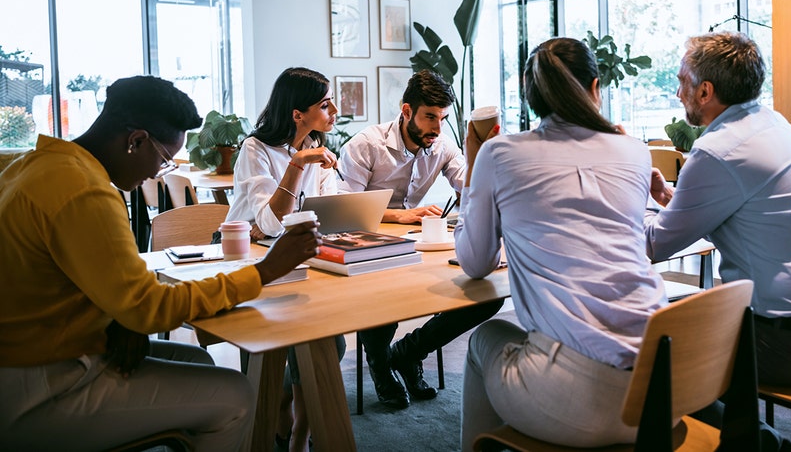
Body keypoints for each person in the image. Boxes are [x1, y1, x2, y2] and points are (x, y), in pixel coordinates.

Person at [0, 76, 322, 451]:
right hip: (39, 383)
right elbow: (149, 308)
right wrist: (265, 271)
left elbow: (97, 285)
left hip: (35, 351)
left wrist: (118, 318)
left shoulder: (34, 164)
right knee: (234, 396)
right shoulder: (85, 191)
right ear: (135, 141)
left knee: (198, 361)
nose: (156, 175)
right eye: (165, 160)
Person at [455, 37, 667, 449]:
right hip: (663, 387)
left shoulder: (499, 154)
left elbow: (476, 262)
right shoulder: (635, 151)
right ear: (594, 88)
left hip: (583, 401)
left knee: (486, 335)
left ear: (532, 97)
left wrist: (473, 165)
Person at [644, 31, 791, 390]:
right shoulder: (776, 125)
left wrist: (632, 193)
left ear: (705, 91)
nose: (679, 94)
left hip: (787, 344)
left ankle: (755, 442)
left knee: (650, 348)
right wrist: (672, 199)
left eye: (682, 84)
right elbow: (747, 209)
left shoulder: (717, 150)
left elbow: (653, 246)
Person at [338, 69, 504, 409]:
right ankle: (382, 365)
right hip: (367, 248)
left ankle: (410, 351)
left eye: (442, 118)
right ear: (406, 111)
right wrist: (399, 215)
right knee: (384, 289)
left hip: (416, 246)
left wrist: (480, 158)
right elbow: (345, 212)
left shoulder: (441, 145)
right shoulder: (365, 145)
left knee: (489, 295)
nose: (437, 127)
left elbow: (468, 183)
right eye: (430, 116)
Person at [225, 67, 346, 452]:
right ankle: (277, 411)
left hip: (298, 254)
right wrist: (298, 165)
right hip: (247, 257)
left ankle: (300, 435)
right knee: (275, 342)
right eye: (325, 104)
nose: (335, 111)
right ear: (297, 114)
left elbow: (328, 209)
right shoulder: (255, 149)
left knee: (330, 342)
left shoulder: (319, 148)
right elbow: (268, 223)